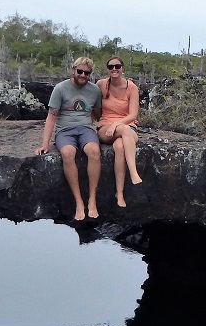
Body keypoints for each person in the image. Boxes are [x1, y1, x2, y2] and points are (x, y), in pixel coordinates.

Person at [36, 57, 102, 221]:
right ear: (73, 70)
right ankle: (79, 202)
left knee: (94, 151)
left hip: (86, 128)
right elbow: (51, 118)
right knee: (67, 153)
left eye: (87, 73)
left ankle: (92, 200)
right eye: (79, 71)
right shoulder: (60, 89)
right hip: (65, 130)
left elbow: (99, 113)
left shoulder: (94, 90)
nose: (83, 75)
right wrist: (45, 144)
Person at [96, 56, 142, 207]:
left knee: (120, 146)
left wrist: (117, 124)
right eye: (111, 67)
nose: (114, 69)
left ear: (123, 68)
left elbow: (133, 115)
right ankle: (133, 172)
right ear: (107, 69)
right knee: (122, 130)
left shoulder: (131, 87)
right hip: (106, 127)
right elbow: (93, 106)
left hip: (127, 125)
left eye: (117, 66)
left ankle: (119, 193)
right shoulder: (101, 85)